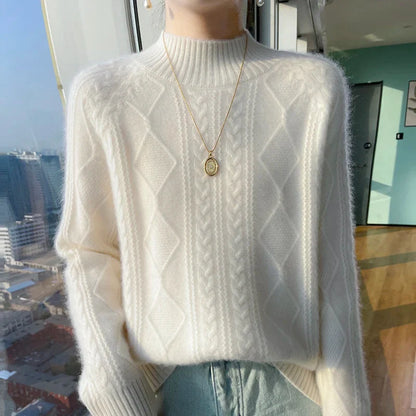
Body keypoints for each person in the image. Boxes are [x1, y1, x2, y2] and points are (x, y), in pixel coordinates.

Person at [53, 0, 372, 415]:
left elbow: (333, 262)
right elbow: (89, 252)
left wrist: (349, 406)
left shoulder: (313, 86)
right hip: (164, 390)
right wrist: (115, 390)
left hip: (290, 390)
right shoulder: (102, 94)